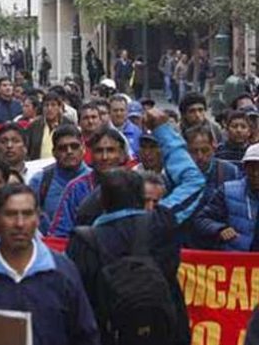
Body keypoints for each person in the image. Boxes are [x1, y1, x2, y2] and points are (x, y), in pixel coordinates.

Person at [66, 109, 206, 345]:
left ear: (103, 203)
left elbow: (76, 299)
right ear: (142, 199)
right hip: (166, 333)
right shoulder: (161, 222)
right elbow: (193, 181)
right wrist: (163, 130)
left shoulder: (83, 240)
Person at [0, 183, 99, 345]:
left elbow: (85, 334)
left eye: (27, 214)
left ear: (37, 218)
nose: (20, 223)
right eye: (11, 214)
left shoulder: (62, 272)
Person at [49, 127, 129, 237]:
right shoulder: (76, 189)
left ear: (122, 155)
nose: (104, 157)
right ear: (91, 155)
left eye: (110, 150)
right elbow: (59, 235)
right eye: (99, 151)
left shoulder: (136, 185)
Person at [193, 143, 259, 251]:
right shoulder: (228, 191)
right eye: (252, 168)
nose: (256, 173)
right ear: (245, 168)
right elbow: (202, 219)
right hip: (235, 261)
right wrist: (219, 229)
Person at [30, 125, 91, 234]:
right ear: (54, 152)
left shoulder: (95, 180)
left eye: (74, 146)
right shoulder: (39, 181)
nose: (69, 151)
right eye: (63, 148)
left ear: (83, 148)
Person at [24, 91, 71, 160]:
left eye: (53, 105)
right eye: (46, 105)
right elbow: (27, 149)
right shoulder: (34, 126)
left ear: (59, 107)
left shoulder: (67, 125)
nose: (49, 108)